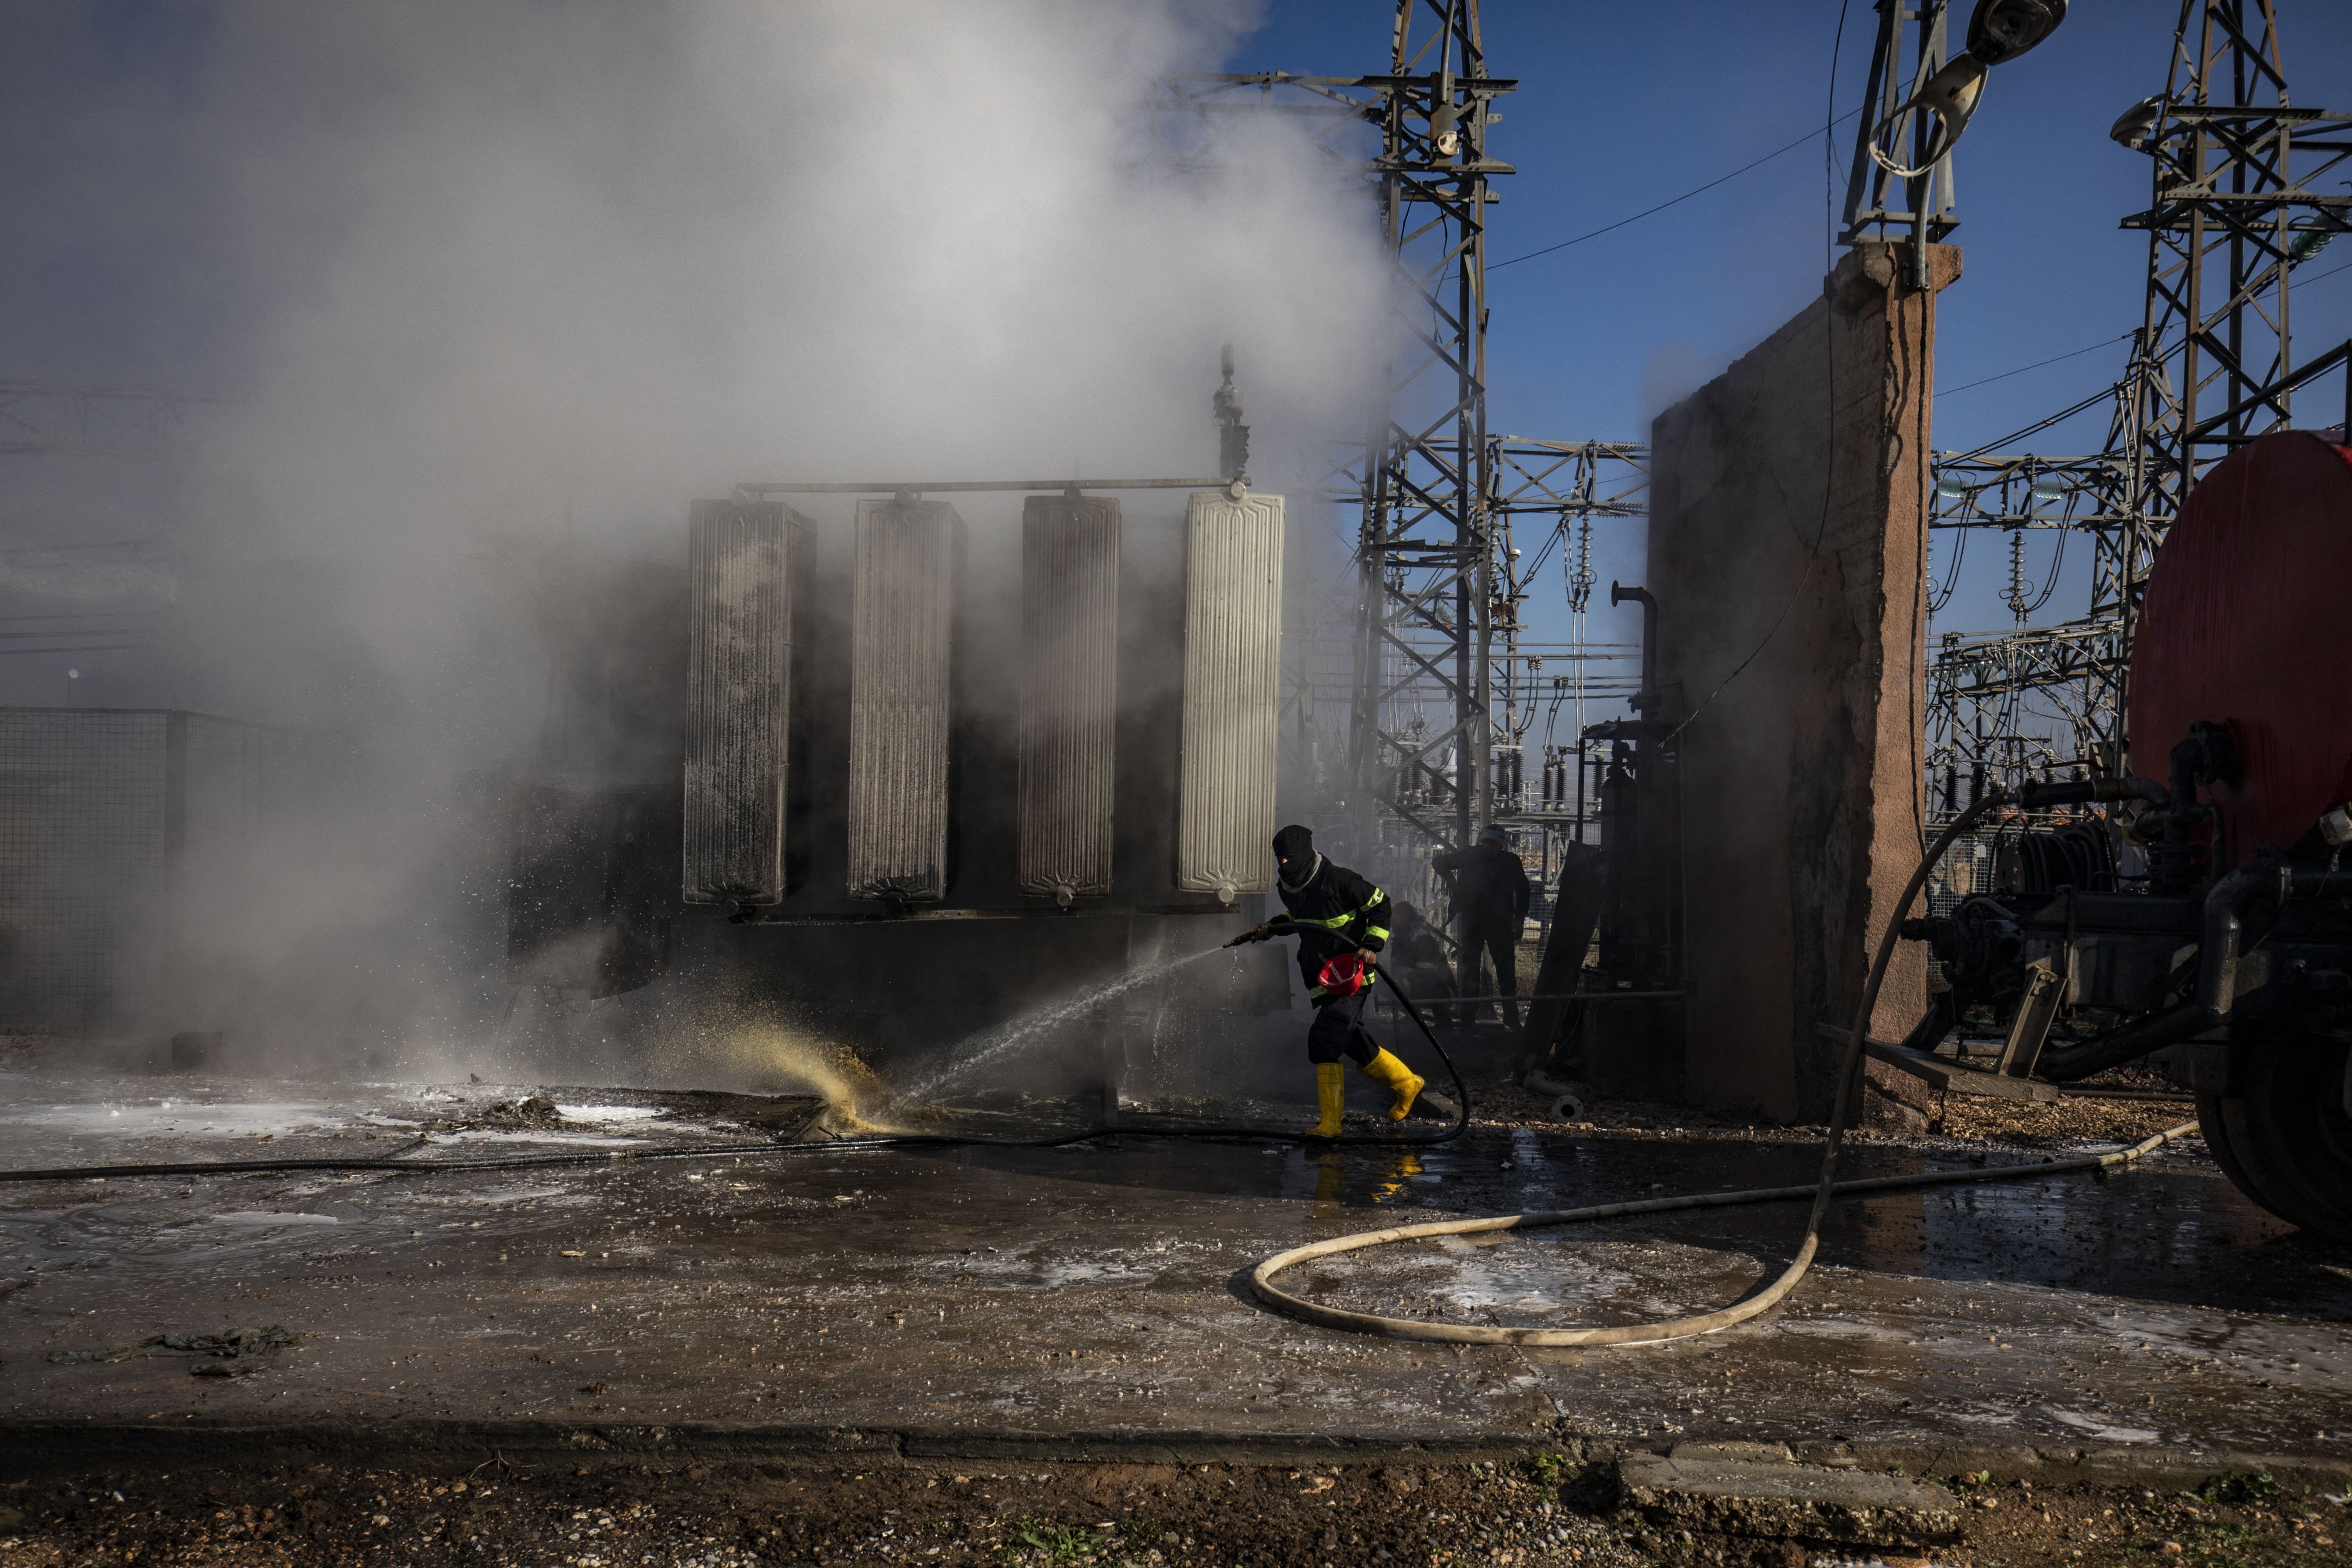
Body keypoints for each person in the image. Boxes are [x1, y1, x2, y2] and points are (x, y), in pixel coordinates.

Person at [1241, 823, 1424, 1137]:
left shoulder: (1342, 881)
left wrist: (1371, 945)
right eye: (1279, 859)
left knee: (1323, 1043)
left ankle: (1331, 1125)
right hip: (1323, 978)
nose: (1283, 864)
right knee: (1353, 1042)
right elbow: (1303, 919)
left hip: (1351, 977)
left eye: (1288, 858)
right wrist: (1272, 926)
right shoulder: (1289, 886)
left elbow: (1382, 906)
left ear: (1304, 854)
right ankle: (1408, 1083)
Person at [1434, 824, 1532, 1028]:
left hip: (1499, 923)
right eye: (1486, 843)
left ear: (1501, 846)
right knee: (1470, 971)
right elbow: (1439, 862)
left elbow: (1524, 891)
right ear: (1481, 842)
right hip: (1474, 921)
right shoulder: (1471, 855)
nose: (1489, 848)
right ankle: (1468, 1018)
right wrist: (1450, 878)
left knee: (1506, 972)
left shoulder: (1510, 863)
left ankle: (1511, 1017)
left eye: (1493, 844)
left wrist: (1519, 919)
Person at [1386, 901, 1459, 1025]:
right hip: (1414, 985)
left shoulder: (1424, 941)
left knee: (1431, 990)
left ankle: (1444, 1020)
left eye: (1396, 922)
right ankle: (1414, 1017)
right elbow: (1396, 969)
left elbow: (1428, 975)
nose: (1393, 927)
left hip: (1442, 989)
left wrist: (1407, 987)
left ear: (1405, 921)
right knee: (1384, 987)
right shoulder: (1399, 943)